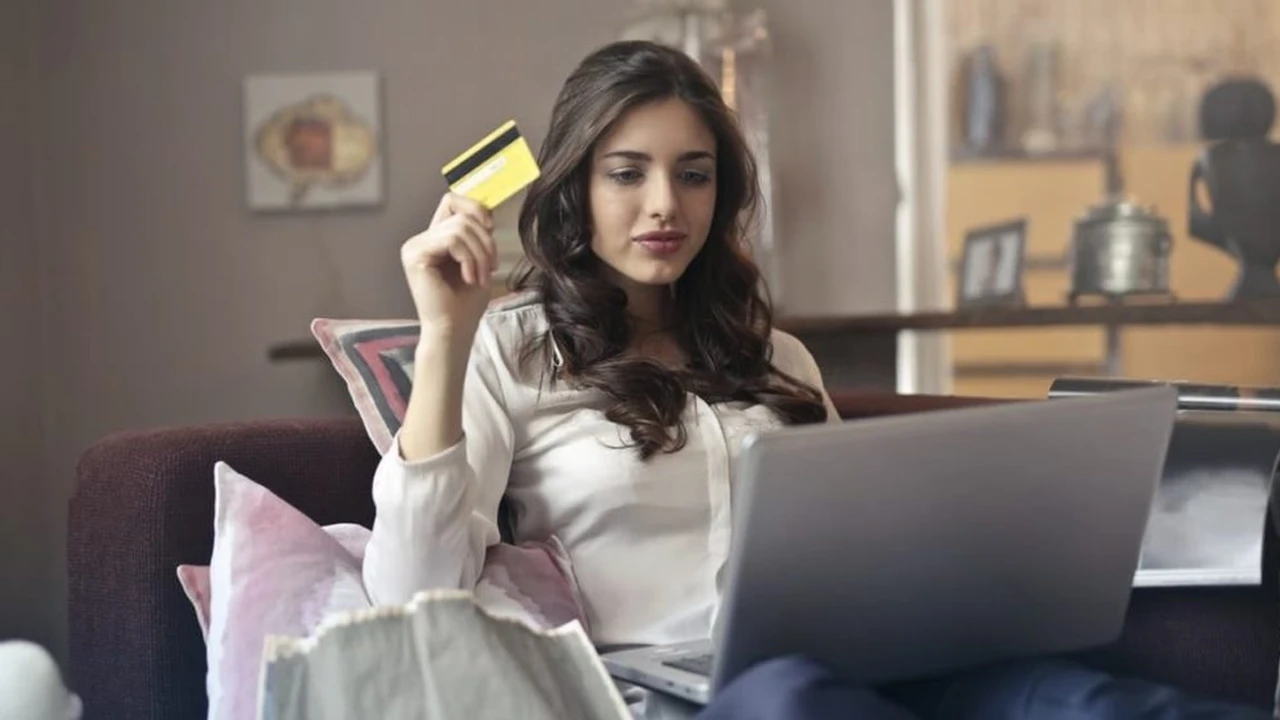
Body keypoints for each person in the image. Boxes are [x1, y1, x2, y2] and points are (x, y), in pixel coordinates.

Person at [361, 39, 1271, 720]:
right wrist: (444, 336)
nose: (665, 205)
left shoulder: (775, 358)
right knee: (790, 700)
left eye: (693, 175)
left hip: (860, 662)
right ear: (575, 191)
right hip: (679, 696)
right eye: (627, 174)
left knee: (1081, 701)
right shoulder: (509, 352)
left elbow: (855, 548)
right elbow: (409, 595)